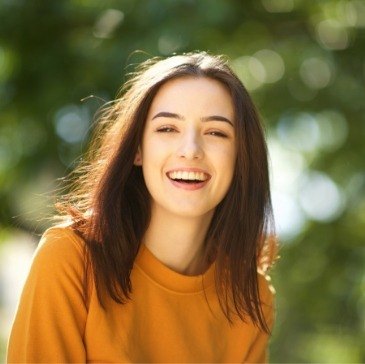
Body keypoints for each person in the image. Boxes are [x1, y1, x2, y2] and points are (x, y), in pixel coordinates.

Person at [7, 51, 277, 363]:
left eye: (216, 132)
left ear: (241, 157)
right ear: (137, 148)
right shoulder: (71, 259)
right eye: (167, 129)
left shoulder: (250, 295)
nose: (190, 150)